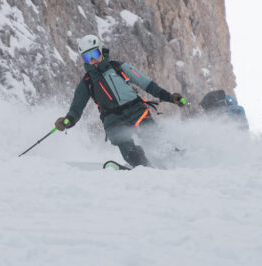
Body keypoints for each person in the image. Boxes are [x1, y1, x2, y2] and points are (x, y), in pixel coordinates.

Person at [55, 34, 185, 168]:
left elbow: (146, 83)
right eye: (88, 57)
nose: (93, 60)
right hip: (112, 120)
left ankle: (180, 160)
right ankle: (143, 167)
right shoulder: (87, 82)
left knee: (153, 136)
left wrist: (169, 97)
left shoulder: (118, 67)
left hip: (136, 110)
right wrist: (67, 121)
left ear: (100, 50)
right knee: (124, 144)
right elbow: (77, 106)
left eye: (94, 53)